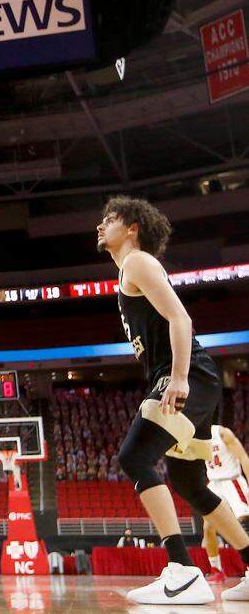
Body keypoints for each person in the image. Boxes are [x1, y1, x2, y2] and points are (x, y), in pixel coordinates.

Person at [97, 196, 249, 604]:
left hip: (187, 377)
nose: (101, 224)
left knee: (134, 458)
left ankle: (182, 571)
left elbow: (181, 318)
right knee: (188, 482)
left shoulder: (137, 262)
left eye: (110, 219)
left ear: (132, 227)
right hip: (194, 378)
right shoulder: (129, 271)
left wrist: (178, 377)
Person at [203, 425, 249, 583]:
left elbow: (243, 458)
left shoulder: (222, 433)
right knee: (208, 528)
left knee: (245, 523)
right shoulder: (195, 434)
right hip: (214, 483)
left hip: (232, 480)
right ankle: (216, 569)